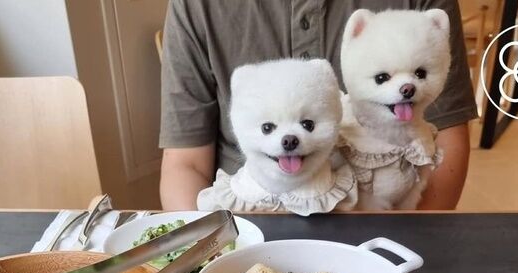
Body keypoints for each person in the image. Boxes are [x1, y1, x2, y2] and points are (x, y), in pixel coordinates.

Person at [159, 0, 477, 211]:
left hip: (387, 224)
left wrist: (404, 241)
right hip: (245, 227)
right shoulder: (196, 6)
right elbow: (185, 164)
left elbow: (449, 142)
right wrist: (211, 256)